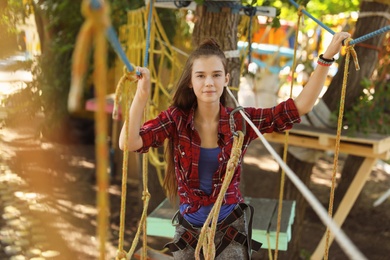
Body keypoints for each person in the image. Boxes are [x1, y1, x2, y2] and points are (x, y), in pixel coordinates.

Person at [119, 31, 350, 259]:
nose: (209, 82)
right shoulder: (176, 119)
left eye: (216, 75)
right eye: (200, 76)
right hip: (189, 228)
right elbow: (128, 143)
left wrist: (327, 57)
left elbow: (298, 107)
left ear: (226, 79)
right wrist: (141, 95)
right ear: (190, 81)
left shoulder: (240, 120)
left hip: (231, 226)